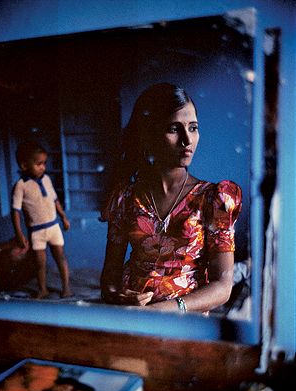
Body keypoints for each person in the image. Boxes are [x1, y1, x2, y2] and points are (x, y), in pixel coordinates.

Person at [100, 83, 242, 314]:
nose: (187, 140)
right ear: (148, 134)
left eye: (193, 128)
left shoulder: (214, 199)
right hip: (133, 316)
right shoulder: (126, 197)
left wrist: (168, 309)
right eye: (174, 129)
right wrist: (118, 296)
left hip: (187, 319)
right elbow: (109, 278)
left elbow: (222, 287)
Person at [12, 140, 71, 298]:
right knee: (40, 263)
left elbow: (55, 200)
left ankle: (66, 287)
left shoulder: (46, 179)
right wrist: (19, 233)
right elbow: (15, 211)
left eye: (44, 163)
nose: (43, 167)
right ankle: (42, 288)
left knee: (60, 257)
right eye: (39, 164)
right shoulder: (20, 185)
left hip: (53, 227)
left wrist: (64, 217)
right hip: (36, 231)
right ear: (24, 165)